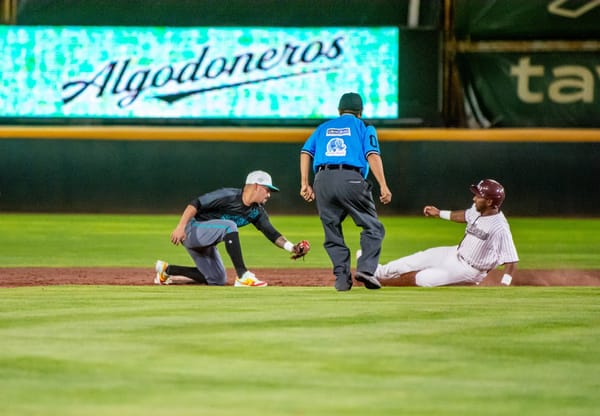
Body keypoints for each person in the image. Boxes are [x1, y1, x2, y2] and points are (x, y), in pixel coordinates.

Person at [299, 92, 392, 291]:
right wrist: (383, 185)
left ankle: (341, 279)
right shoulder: (364, 126)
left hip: (322, 180)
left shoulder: (323, 127)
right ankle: (366, 270)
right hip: (351, 178)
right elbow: (372, 154)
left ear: (339, 110)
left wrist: (304, 183)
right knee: (373, 228)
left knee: (332, 231)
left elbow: (306, 152)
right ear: (360, 111)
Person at [155, 170, 305, 287]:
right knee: (229, 226)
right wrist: (180, 227)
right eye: (267, 189)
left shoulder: (256, 211)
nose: (269, 195)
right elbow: (195, 203)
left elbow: (272, 234)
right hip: (192, 230)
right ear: (256, 186)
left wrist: (292, 247)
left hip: (207, 239)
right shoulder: (228, 195)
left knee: (217, 279)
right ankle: (243, 276)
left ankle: (167, 272)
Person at [370, 179, 518, 287]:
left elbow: (511, 260)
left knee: (424, 279)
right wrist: (439, 213)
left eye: (479, 196)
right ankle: (377, 272)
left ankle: (381, 283)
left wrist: (504, 284)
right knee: (415, 260)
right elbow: (464, 215)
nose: (474, 198)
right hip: (454, 253)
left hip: (469, 270)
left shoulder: (500, 228)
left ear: (490, 202)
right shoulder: (478, 209)